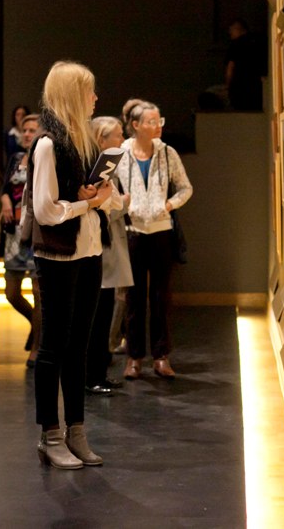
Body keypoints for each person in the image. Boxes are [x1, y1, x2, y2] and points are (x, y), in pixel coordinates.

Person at [25, 60, 115, 470]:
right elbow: (45, 211)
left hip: (89, 252)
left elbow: (99, 201)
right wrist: (88, 204)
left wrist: (99, 198)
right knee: (53, 347)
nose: (95, 98)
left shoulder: (85, 142)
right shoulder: (47, 144)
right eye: (88, 91)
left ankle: (76, 430)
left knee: (78, 345)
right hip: (57, 256)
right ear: (72, 95)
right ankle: (50, 434)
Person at [117, 98, 193, 380]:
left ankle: (161, 356)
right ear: (135, 125)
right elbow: (107, 187)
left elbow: (185, 188)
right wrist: (123, 205)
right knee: (134, 297)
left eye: (159, 120)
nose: (158, 126)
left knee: (161, 296)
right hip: (133, 232)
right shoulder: (121, 153)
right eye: (151, 121)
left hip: (161, 231)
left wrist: (169, 205)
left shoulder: (167, 153)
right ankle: (134, 357)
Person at [85, 115, 133, 395]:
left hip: (107, 248)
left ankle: (99, 372)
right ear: (102, 139)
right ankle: (93, 374)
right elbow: (102, 207)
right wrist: (122, 203)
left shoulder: (108, 169)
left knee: (104, 314)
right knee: (98, 316)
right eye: (117, 135)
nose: (121, 139)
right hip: (99, 249)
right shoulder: (95, 169)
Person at [0, 112, 42, 368]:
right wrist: (5, 200)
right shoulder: (16, 158)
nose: (26, 134)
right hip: (14, 234)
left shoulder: (46, 159)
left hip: (37, 233)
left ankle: (37, 348)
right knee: (11, 293)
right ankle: (36, 327)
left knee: (38, 293)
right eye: (24, 130)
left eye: (32, 130)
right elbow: (5, 187)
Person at [224, 18, 264, 111]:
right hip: (257, 86)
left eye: (231, 31)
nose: (230, 34)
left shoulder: (235, 45)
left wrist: (228, 86)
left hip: (239, 86)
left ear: (238, 29)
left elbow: (230, 68)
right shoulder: (259, 41)